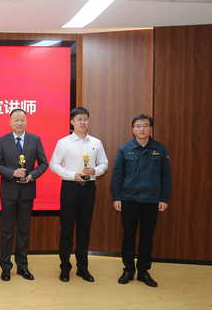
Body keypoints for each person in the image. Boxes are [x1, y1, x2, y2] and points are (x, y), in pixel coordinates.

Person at [110, 114, 171, 288]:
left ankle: (143, 271)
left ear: (151, 128)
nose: (142, 129)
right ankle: (128, 270)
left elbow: (166, 176)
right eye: (138, 126)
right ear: (133, 129)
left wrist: (164, 198)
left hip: (152, 201)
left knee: (147, 238)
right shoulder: (124, 149)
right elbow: (117, 176)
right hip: (129, 200)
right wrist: (117, 197)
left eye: (145, 125)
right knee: (128, 237)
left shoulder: (160, 149)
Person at [49, 107, 108, 283]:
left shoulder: (96, 143)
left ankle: (82, 268)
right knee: (66, 230)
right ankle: (65, 268)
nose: (83, 122)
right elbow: (54, 164)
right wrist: (71, 175)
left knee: (84, 230)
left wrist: (95, 170)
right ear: (72, 122)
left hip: (88, 189)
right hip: (70, 188)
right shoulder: (63, 142)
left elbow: (104, 164)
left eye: (85, 119)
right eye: (79, 119)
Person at [0, 108, 48, 281]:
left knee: (24, 231)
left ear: (26, 121)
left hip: (27, 192)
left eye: (22, 119)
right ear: (10, 122)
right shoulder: (2, 140)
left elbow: (43, 163)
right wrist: (12, 173)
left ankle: (22, 266)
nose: (19, 122)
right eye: (16, 119)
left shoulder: (35, 139)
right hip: (8, 193)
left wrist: (32, 176)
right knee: (7, 231)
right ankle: (5, 267)